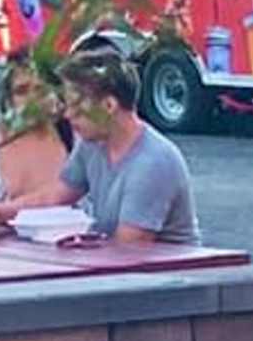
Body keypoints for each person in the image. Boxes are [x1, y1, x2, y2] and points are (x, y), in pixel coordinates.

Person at [58, 48, 202, 250]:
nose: (67, 115)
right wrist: (2, 211)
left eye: (76, 106)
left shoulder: (153, 162)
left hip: (167, 276)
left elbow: (129, 249)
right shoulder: (92, 144)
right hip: (118, 270)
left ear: (109, 105)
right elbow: (56, 195)